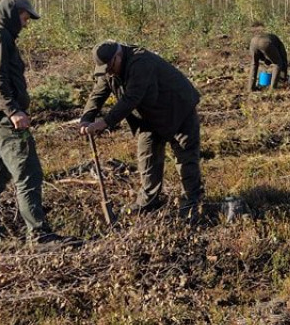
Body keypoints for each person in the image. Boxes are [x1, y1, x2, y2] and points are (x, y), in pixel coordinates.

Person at [78, 41, 204, 222]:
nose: (109, 72)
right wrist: (86, 118)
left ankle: (191, 203)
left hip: (178, 108)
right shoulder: (109, 69)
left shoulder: (141, 62)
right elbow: (98, 94)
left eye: (110, 67)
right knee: (147, 157)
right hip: (149, 115)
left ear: (118, 56)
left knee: (185, 157)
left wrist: (105, 122)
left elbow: (131, 98)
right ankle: (149, 202)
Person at [0, 0, 59, 243]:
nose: (26, 23)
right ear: (12, 13)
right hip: (0, 117)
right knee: (28, 172)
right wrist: (13, 111)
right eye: (24, 17)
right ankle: (39, 236)